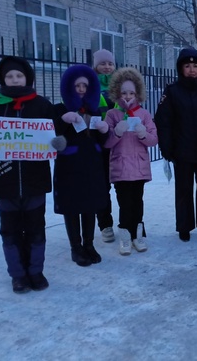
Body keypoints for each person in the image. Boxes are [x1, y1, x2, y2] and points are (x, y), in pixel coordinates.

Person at [0, 56, 66, 293]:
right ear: (3, 79)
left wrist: (56, 142)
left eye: (19, 76)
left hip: (35, 180)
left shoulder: (42, 104)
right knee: (9, 230)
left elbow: (54, 135)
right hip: (4, 180)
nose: (14, 80)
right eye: (9, 76)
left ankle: (36, 271)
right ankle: (18, 275)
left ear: (27, 78)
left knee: (36, 227)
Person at [154, 47, 197, 242]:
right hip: (181, 151)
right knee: (183, 190)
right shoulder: (172, 91)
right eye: (187, 66)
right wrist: (166, 148)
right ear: (181, 69)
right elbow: (163, 121)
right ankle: (184, 227)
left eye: (195, 66)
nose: (191, 70)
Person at [53, 64, 110, 267]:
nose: (81, 89)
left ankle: (89, 244)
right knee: (72, 207)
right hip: (69, 166)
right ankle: (76, 247)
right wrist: (62, 120)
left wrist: (105, 130)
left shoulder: (93, 109)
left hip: (91, 165)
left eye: (85, 85)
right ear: (69, 86)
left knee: (90, 206)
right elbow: (51, 137)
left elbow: (103, 143)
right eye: (77, 85)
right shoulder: (60, 109)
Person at [104, 67, 158, 256]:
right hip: (120, 168)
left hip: (139, 167)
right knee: (124, 202)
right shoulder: (112, 114)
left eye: (131, 93)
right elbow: (107, 142)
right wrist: (116, 132)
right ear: (117, 92)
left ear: (138, 94)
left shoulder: (143, 114)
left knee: (137, 201)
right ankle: (125, 236)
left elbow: (154, 139)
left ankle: (138, 235)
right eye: (124, 92)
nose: (127, 96)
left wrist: (143, 133)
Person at [92, 49, 117, 243]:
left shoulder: (121, 85)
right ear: (96, 66)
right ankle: (105, 224)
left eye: (110, 63)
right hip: (99, 144)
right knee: (102, 186)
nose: (107, 67)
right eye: (103, 64)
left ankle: (129, 222)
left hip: (120, 143)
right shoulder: (89, 85)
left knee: (124, 184)